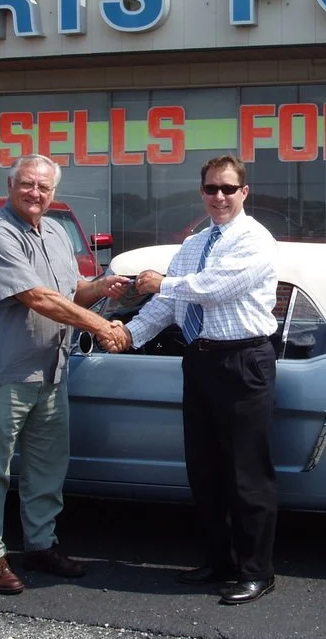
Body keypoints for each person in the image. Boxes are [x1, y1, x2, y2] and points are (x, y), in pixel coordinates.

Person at [0, 153, 130, 595]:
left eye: (44, 187)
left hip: (53, 371)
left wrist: (103, 289)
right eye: (28, 184)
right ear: (11, 184)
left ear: (53, 193)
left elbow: (71, 291)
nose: (35, 193)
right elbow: (37, 298)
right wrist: (101, 325)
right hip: (6, 372)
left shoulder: (55, 231)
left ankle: (40, 545)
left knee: (46, 468)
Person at [119, 155, 279, 605]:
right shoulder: (194, 244)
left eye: (229, 189)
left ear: (244, 192)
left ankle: (257, 571)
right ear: (202, 193)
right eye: (212, 189)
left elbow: (212, 287)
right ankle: (219, 562)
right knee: (205, 469)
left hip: (244, 361)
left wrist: (162, 282)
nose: (220, 197)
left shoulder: (255, 240)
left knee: (247, 473)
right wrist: (127, 334)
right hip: (202, 361)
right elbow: (168, 308)